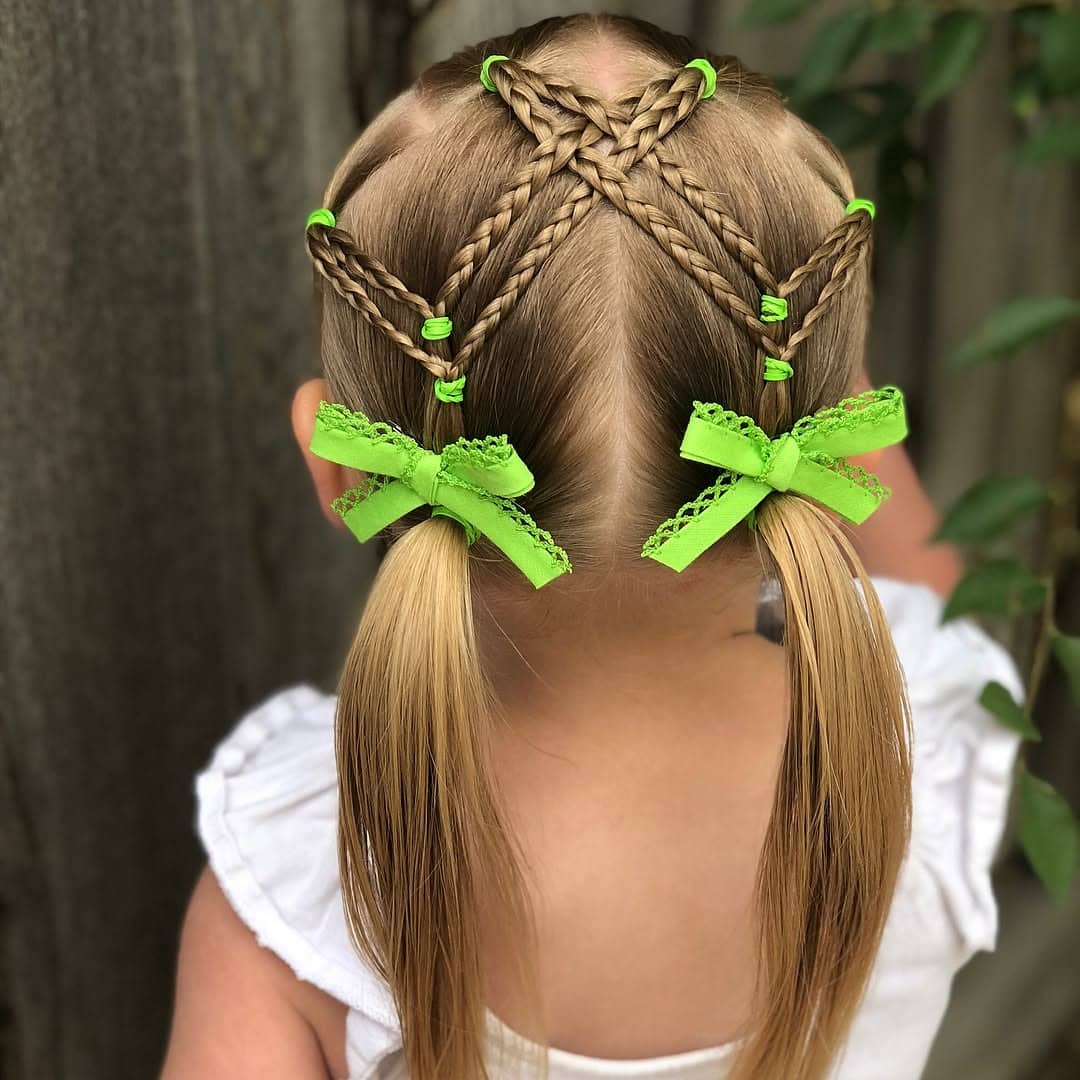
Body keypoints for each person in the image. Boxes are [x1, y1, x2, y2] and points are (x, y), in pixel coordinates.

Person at [161, 14, 1022, 1080]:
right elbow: (938, 584)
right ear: (837, 444)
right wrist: (802, 366)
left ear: (342, 468)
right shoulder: (917, 750)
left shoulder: (293, 889)